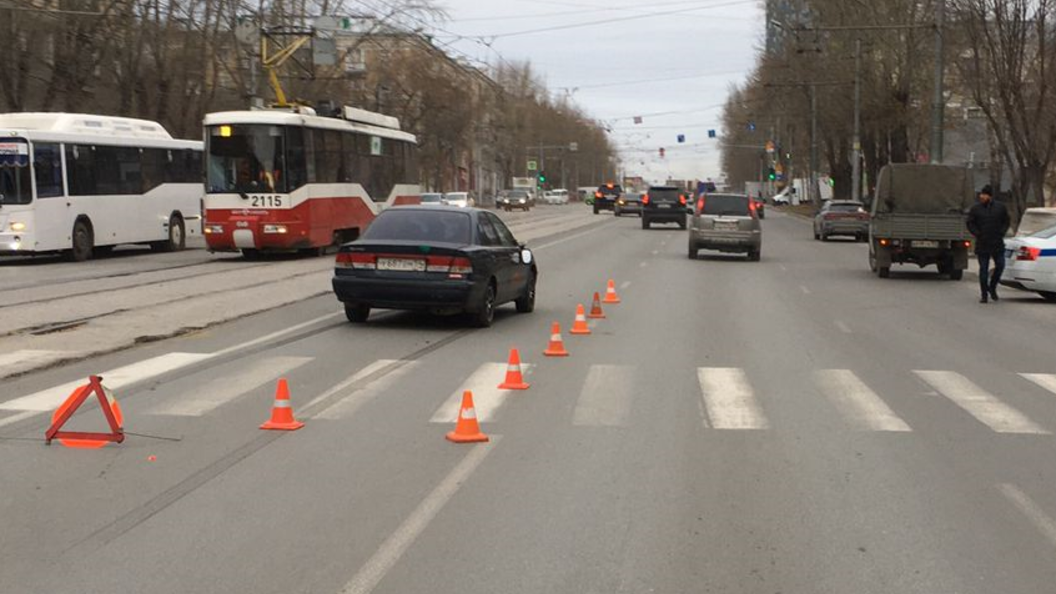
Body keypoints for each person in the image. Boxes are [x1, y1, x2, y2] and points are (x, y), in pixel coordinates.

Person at [966, 185, 1011, 303]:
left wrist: (1001, 232)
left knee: (1000, 265)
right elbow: (970, 223)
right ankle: (984, 294)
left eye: (984, 194)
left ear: (989, 196)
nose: (981, 196)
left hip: (997, 242)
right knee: (983, 270)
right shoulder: (976, 208)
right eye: (981, 194)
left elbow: (1006, 221)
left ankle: (992, 286)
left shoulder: (1000, 207)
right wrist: (977, 233)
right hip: (983, 243)